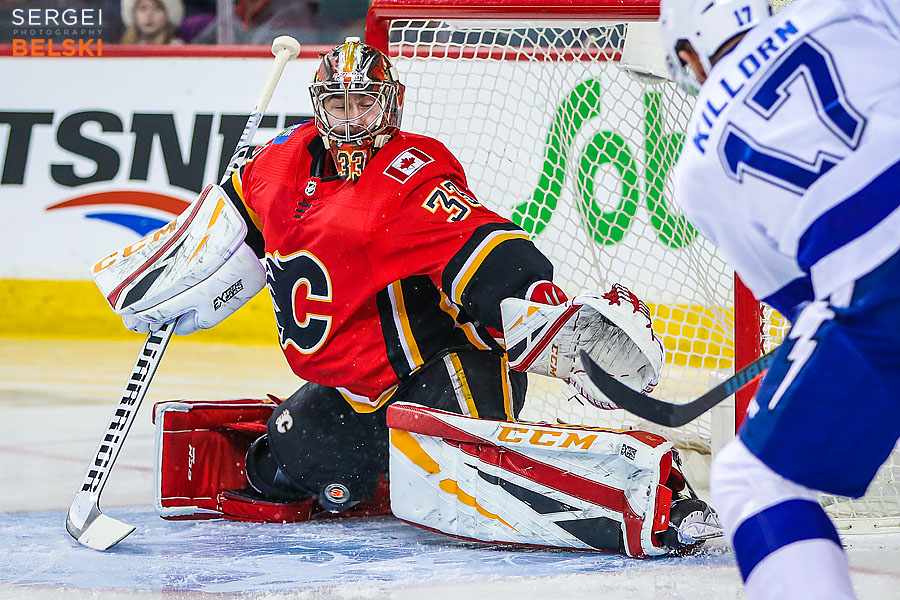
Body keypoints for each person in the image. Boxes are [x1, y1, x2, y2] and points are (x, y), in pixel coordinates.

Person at [91, 38, 717, 555]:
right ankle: (390, 467)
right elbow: (222, 243)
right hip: (354, 386)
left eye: (367, 104)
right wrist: (161, 278)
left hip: (447, 372)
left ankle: (656, 501)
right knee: (278, 467)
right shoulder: (273, 167)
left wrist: (537, 304)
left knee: (466, 488)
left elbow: (482, 243)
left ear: (390, 106)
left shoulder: (411, 175)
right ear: (319, 108)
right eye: (340, 106)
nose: (353, 120)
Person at [659, 0, 900, 597]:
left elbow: (806, 301)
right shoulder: (845, 8)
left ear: (690, 55)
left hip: (879, 285)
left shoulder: (696, 166)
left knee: (752, 480)